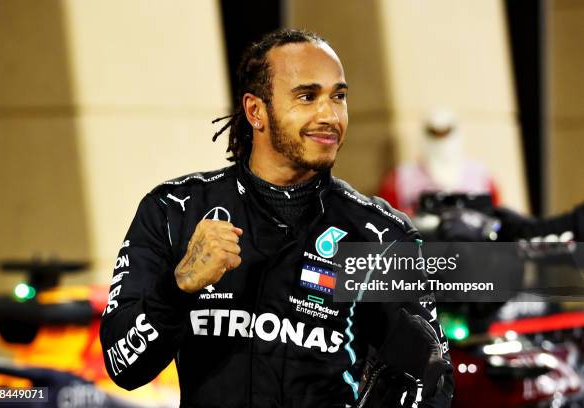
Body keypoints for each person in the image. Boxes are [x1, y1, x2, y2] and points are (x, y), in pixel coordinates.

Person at [100, 29, 453, 408]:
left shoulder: (380, 234)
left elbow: (432, 383)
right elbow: (124, 367)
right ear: (256, 111)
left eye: (339, 97)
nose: (329, 115)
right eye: (307, 96)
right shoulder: (174, 209)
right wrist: (177, 288)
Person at [378, 108, 500, 216]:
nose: (441, 141)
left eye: (446, 133)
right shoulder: (401, 178)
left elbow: (495, 214)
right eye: (434, 134)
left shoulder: (480, 175)